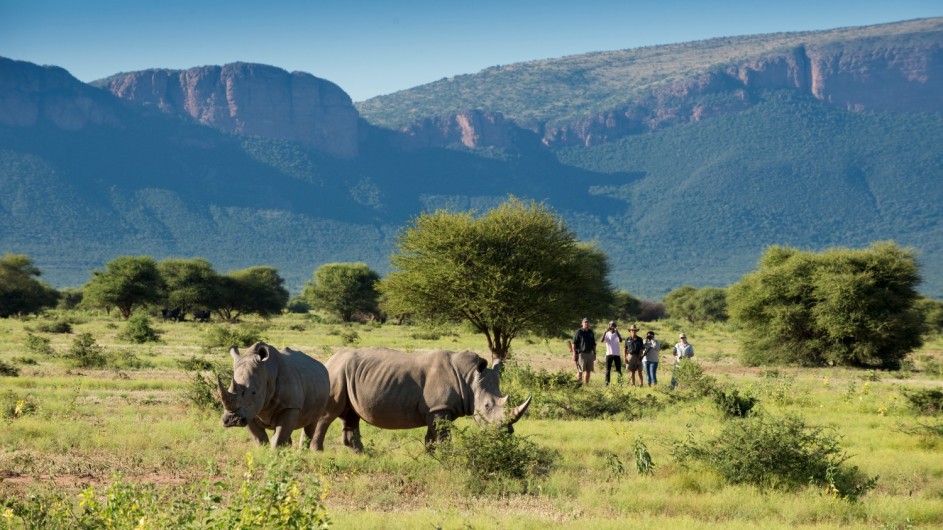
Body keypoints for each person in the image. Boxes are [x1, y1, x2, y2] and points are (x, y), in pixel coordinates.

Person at [572, 317, 596, 386]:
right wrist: (574, 354)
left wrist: (594, 353)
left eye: (587, 322)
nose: (586, 323)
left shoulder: (591, 332)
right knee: (580, 371)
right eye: (585, 322)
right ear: (582, 324)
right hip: (581, 354)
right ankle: (578, 385)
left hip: (589, 353)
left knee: (588, 371)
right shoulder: (579, 332)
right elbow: (574, 343)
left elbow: (594, 344)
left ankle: (586, 385)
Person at [602, 321, 623, 385]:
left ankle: (620, 383)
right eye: (611, 326)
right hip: (609, 353)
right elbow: (602, 341)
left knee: (619, 369)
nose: (612, 327)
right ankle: (607, 383)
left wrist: (617, 332)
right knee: (608, 370)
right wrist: (605, 332)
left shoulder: (617, 333)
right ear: (609, 326)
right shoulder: (607, 333)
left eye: (614, 326)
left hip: (616, 354)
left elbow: (621, 340)